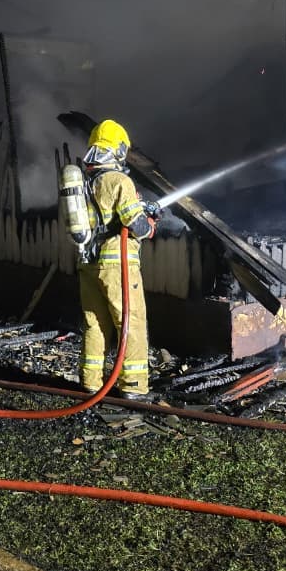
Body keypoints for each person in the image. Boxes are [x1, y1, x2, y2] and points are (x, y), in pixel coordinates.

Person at [78, 118, 159, 399]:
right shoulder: (119, 180)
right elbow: (134, 224)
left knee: (95, 323)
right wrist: (150, 223)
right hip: (118, 265)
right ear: (119, 149)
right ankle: (133, 386)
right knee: (131, 321)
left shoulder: (83, 182)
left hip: (88, 264)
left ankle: (90, 382)